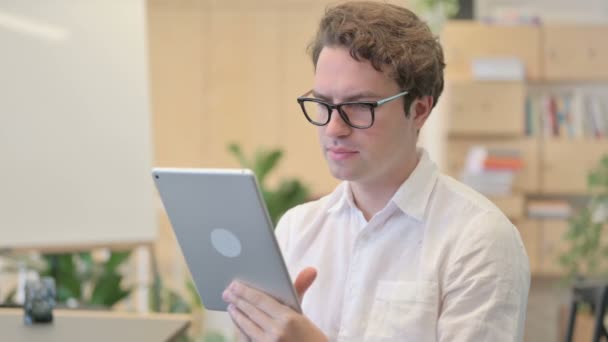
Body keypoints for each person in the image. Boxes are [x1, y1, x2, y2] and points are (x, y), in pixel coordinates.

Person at [222, 1, 530, 341]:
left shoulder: (479, 239)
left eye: (359, 106)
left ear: (419, 110)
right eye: (324, 104)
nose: (334, 128)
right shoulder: (297, 229)